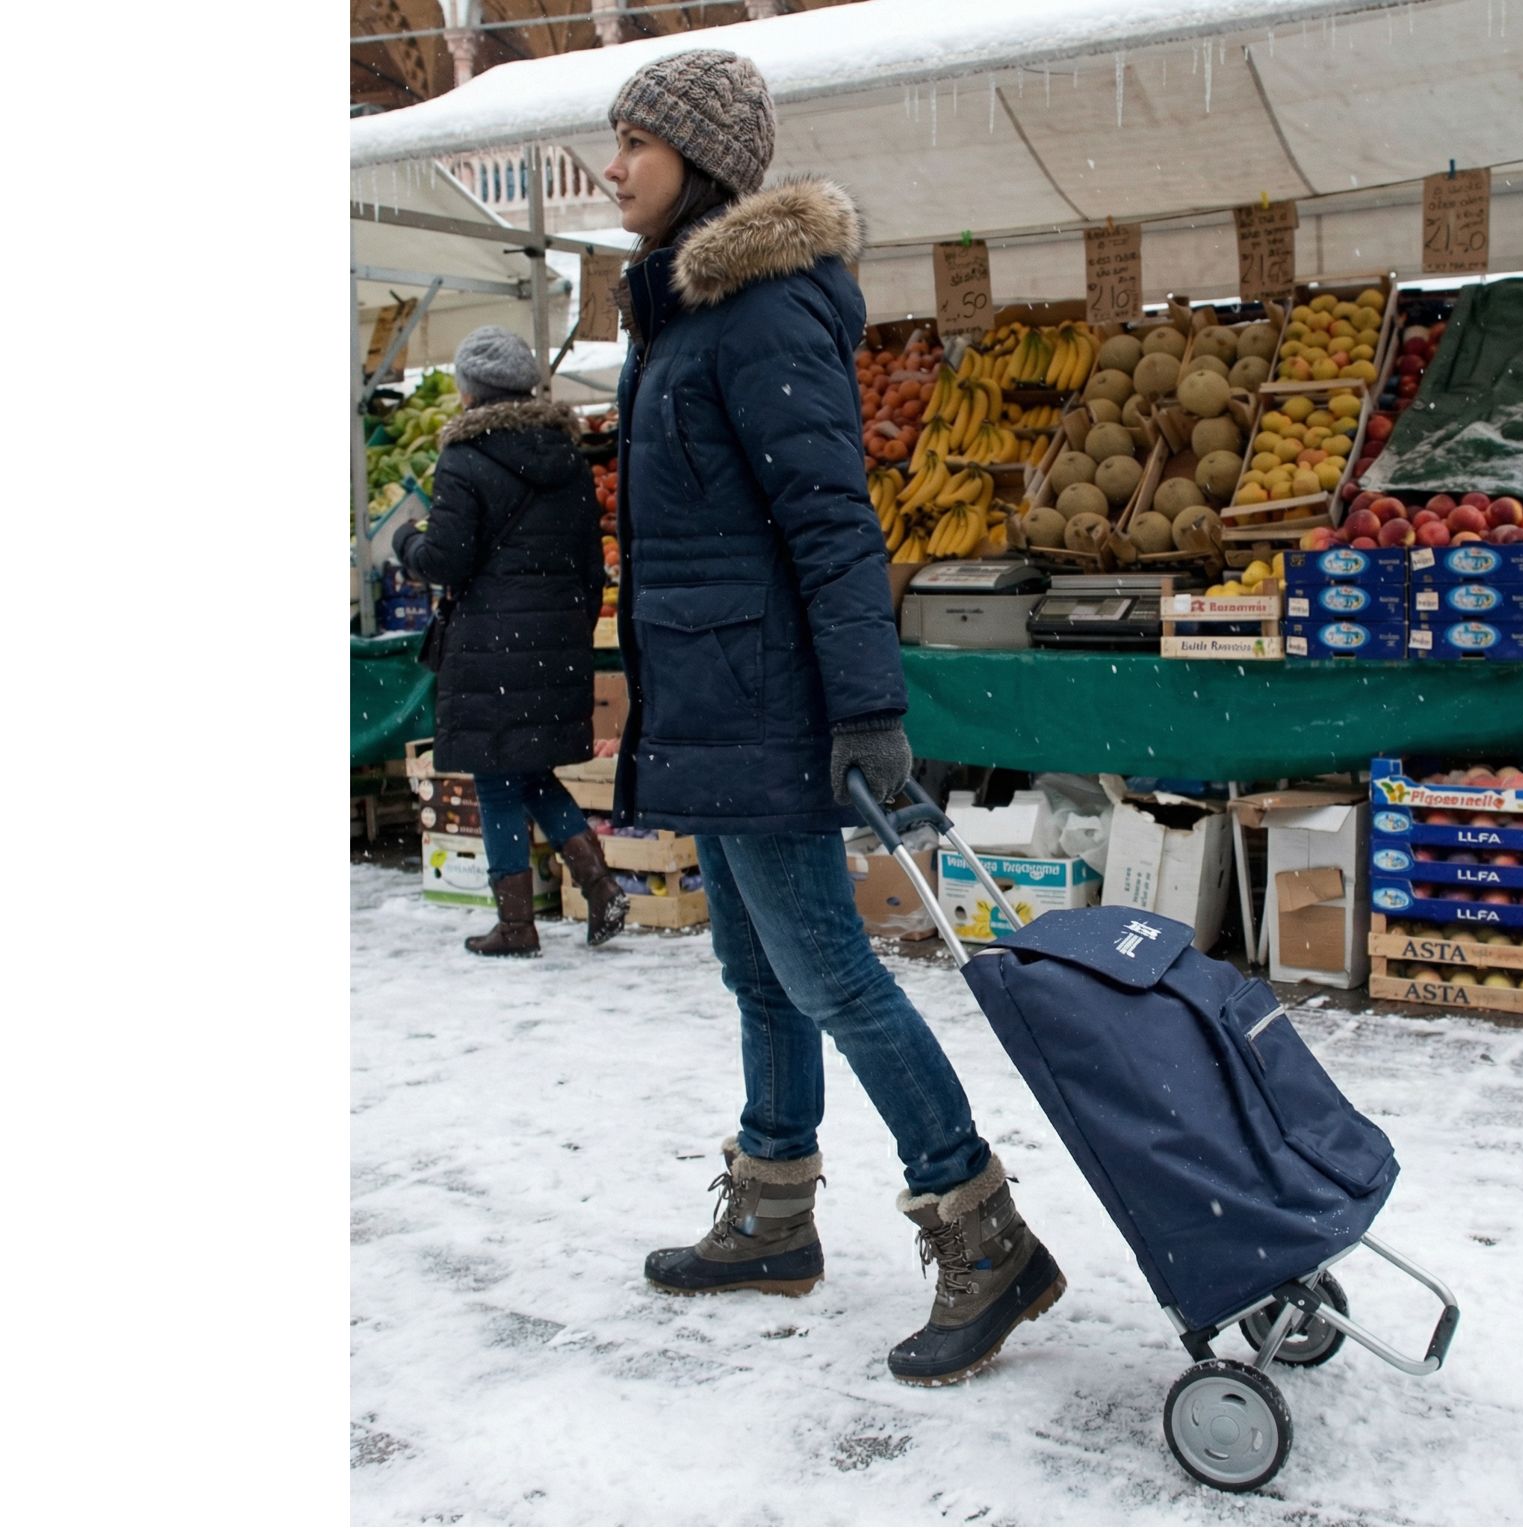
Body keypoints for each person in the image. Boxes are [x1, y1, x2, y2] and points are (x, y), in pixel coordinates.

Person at [600, 49, 1063, 1387]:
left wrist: (866, 712)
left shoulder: (761, 311)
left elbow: (831, 527)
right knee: (755, 972)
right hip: (714, 694)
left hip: (775, 704)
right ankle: (773, 1213)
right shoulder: (681, 318)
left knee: (832, 975)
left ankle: (982, 1228)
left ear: (703, 159)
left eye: (635, 140)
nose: (612, 164)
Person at [394, 326, 630, 957]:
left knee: (498, 778)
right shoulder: (568, 457)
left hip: (490, 643)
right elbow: (589, 564)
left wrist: (404, 541)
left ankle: (518, 926)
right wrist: (567, 632)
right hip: (552, 639)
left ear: (470, 390)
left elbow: (444, 559)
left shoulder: (464, 459)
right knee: (527, 771)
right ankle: (600, 885)